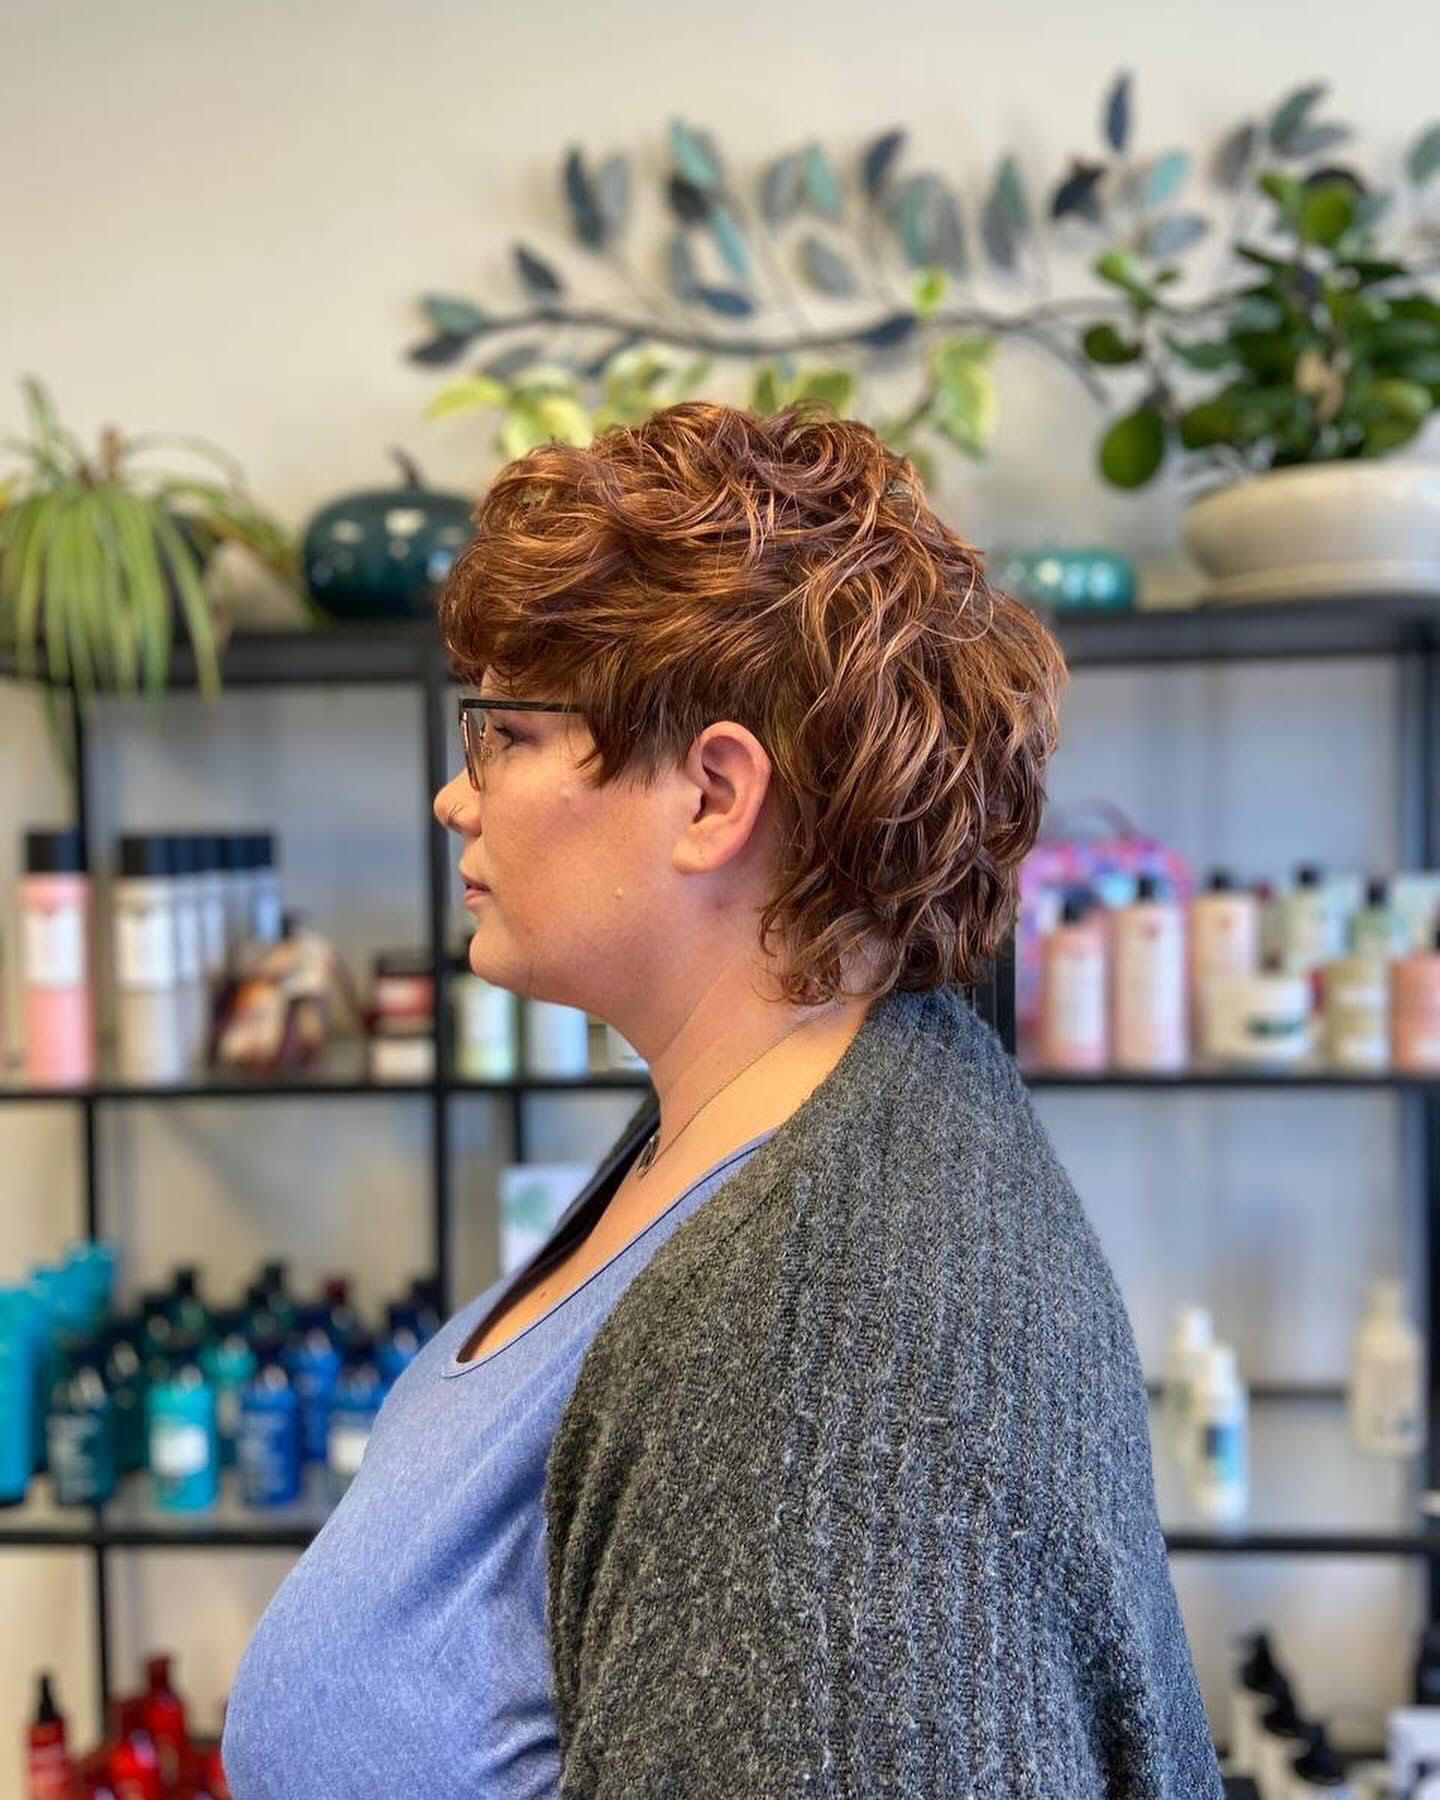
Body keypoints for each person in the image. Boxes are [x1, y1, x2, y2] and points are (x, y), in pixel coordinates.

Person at [223, 401, 1221, 1797]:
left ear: (711, 795)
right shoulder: (746, 1133)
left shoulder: (840, 1361)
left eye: (504, 733)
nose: (457, 799)